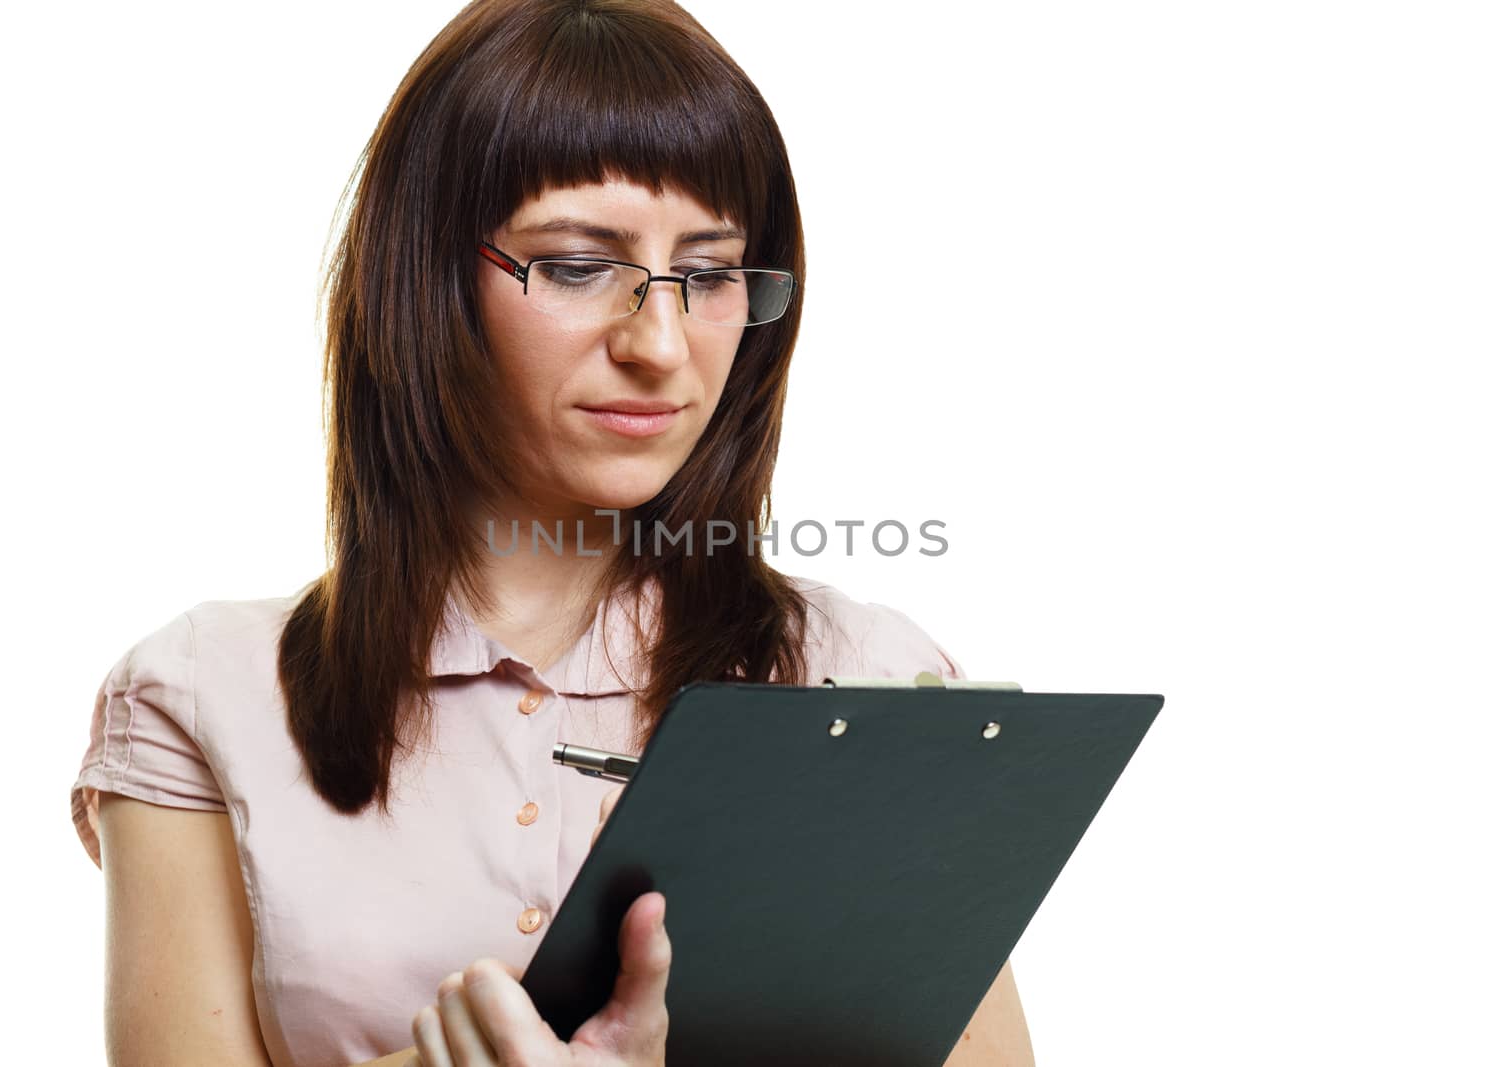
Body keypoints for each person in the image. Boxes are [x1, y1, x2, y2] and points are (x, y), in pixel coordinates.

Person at [68, 1, 1035, 1064]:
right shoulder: (206, 691)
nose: (662, 345)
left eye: (710, 274)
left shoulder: (867, 679)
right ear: (426, 278)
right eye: (578, 267)